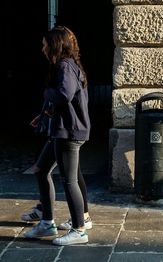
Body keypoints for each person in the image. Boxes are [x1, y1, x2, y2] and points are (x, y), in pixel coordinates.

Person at [23, 26, 91, 245]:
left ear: (55, 45)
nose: (42, 48)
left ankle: (79, 229)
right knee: (41, 170)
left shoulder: (65, 66)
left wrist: (46, 93)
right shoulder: (66, 66)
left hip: (68, 132)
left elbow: (64, 94)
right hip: (60, 130)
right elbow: (61, 100)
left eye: (45, 44)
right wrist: (43, 115)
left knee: (69, 181)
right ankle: (46, 223)